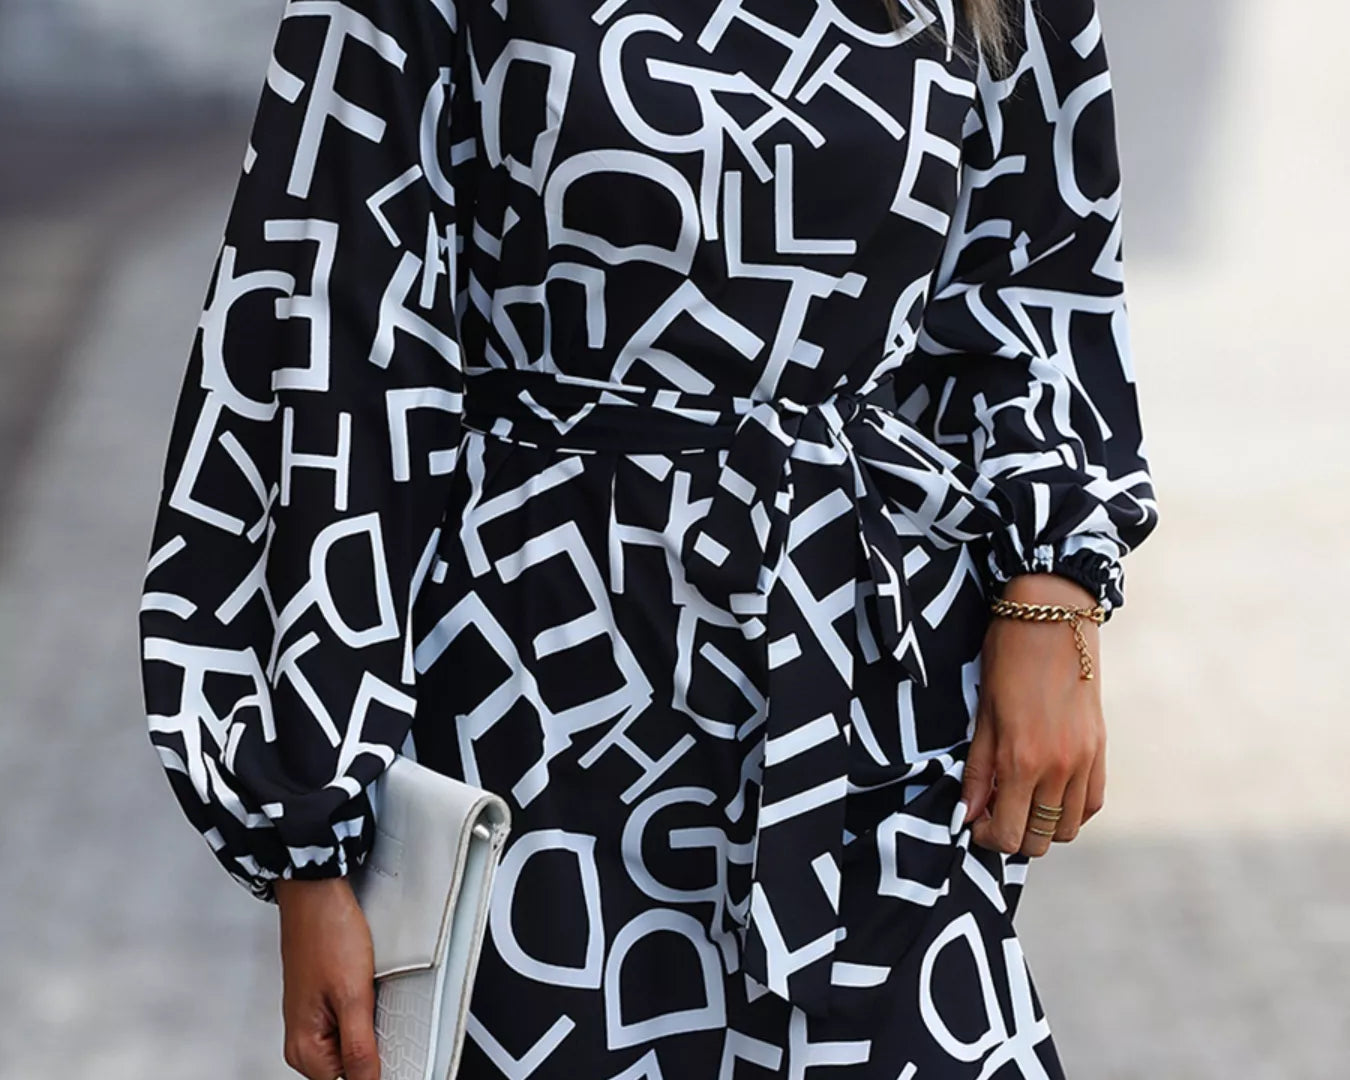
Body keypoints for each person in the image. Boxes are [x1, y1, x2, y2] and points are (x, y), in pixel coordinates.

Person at [138, 0, 1160, 1076]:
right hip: (538, 709)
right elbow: (327, 347)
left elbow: (1042, 280)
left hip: (854, 719)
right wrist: (313, 835)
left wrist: (1054, 589)